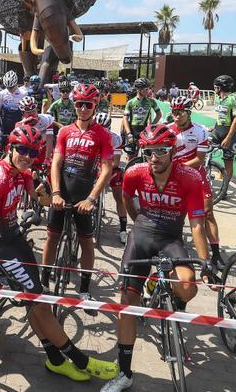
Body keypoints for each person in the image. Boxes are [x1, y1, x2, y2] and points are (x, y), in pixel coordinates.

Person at [0, 124, 118, 383]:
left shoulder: (22, 174)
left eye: (32, 152)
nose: (27, 156)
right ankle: (80, 359)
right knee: (40, 301)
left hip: (14, 237)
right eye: (22, 149)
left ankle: (55, 360)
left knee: (36, 298)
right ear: (10, 148)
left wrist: (55, 200)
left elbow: (38, 198)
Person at [101, 124, 211, 392]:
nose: (154, 157)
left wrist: (206, 262)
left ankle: (168, 294)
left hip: (171, 238)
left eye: (161, 151)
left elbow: (197, 224)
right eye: (148, 151)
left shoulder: (190, 177)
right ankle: (124, 373)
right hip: (141, 236)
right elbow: (127, 200)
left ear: (172, 151)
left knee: (187, 287)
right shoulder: (135, 172)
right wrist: (139, 221)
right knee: (127, 304)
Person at [42, 83, 114, 305]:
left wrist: (92, 198)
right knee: (52, 237)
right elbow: (55, 164)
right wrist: (55, 192)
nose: (83, 109)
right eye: (79, 104)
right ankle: (43, 281)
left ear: (95, 106)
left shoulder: (102, 134)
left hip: (84, 194)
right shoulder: (64, 131)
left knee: (87, 242)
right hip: (62, 191)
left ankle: (84, 287)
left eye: (88, 105)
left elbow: (107, 169)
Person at [169, 96, 224, 267]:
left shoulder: (200, 131)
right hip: (175, 178)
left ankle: (215, 253)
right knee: (175, 214)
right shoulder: (168, 130)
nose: (177, 117)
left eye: (181, 113)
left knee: (207, 213)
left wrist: (178, 168)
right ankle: (176, 247)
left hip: (196, 176)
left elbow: (199, 160)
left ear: (189, 112)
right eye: (174, 113)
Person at [94, 112, 126, 243]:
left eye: (104, 129)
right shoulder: (90, 135)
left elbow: (116, 163)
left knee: (119, 196)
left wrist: (105, 174)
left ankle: (123, 229)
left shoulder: (115, 138)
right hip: (95, 166)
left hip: (110, 167)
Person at [210, 74, 236, 195]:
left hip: (230, 133)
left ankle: (224, 189)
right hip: (218, 129)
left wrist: (228, 137)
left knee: (228, 160)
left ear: (220, 87)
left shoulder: (233, 98)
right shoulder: (217, 98)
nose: (214, 89)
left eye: (215, 87)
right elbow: (220, 116)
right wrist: (214, 126)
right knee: (204, 150)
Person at [121, 78, 161, 159]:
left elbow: (159, 114)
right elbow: (125, 119)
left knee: (146, 157)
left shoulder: (151, 101)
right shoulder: (131, 102)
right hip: (132, 131)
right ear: (139, 89)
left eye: (149, 88)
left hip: (144, 131)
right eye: (146, 89)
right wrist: (129, 133)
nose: (148, 91)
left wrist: (151, 126)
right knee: (132, 157)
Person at [0, 71, 28, 144]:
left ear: (16, 84)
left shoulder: (24, 93)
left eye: (11, 87)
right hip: (5, 126)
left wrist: (23, 125)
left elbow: (26, 113)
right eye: (8, 87)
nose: (10, 89)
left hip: (19, 125)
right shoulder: (2, 94)